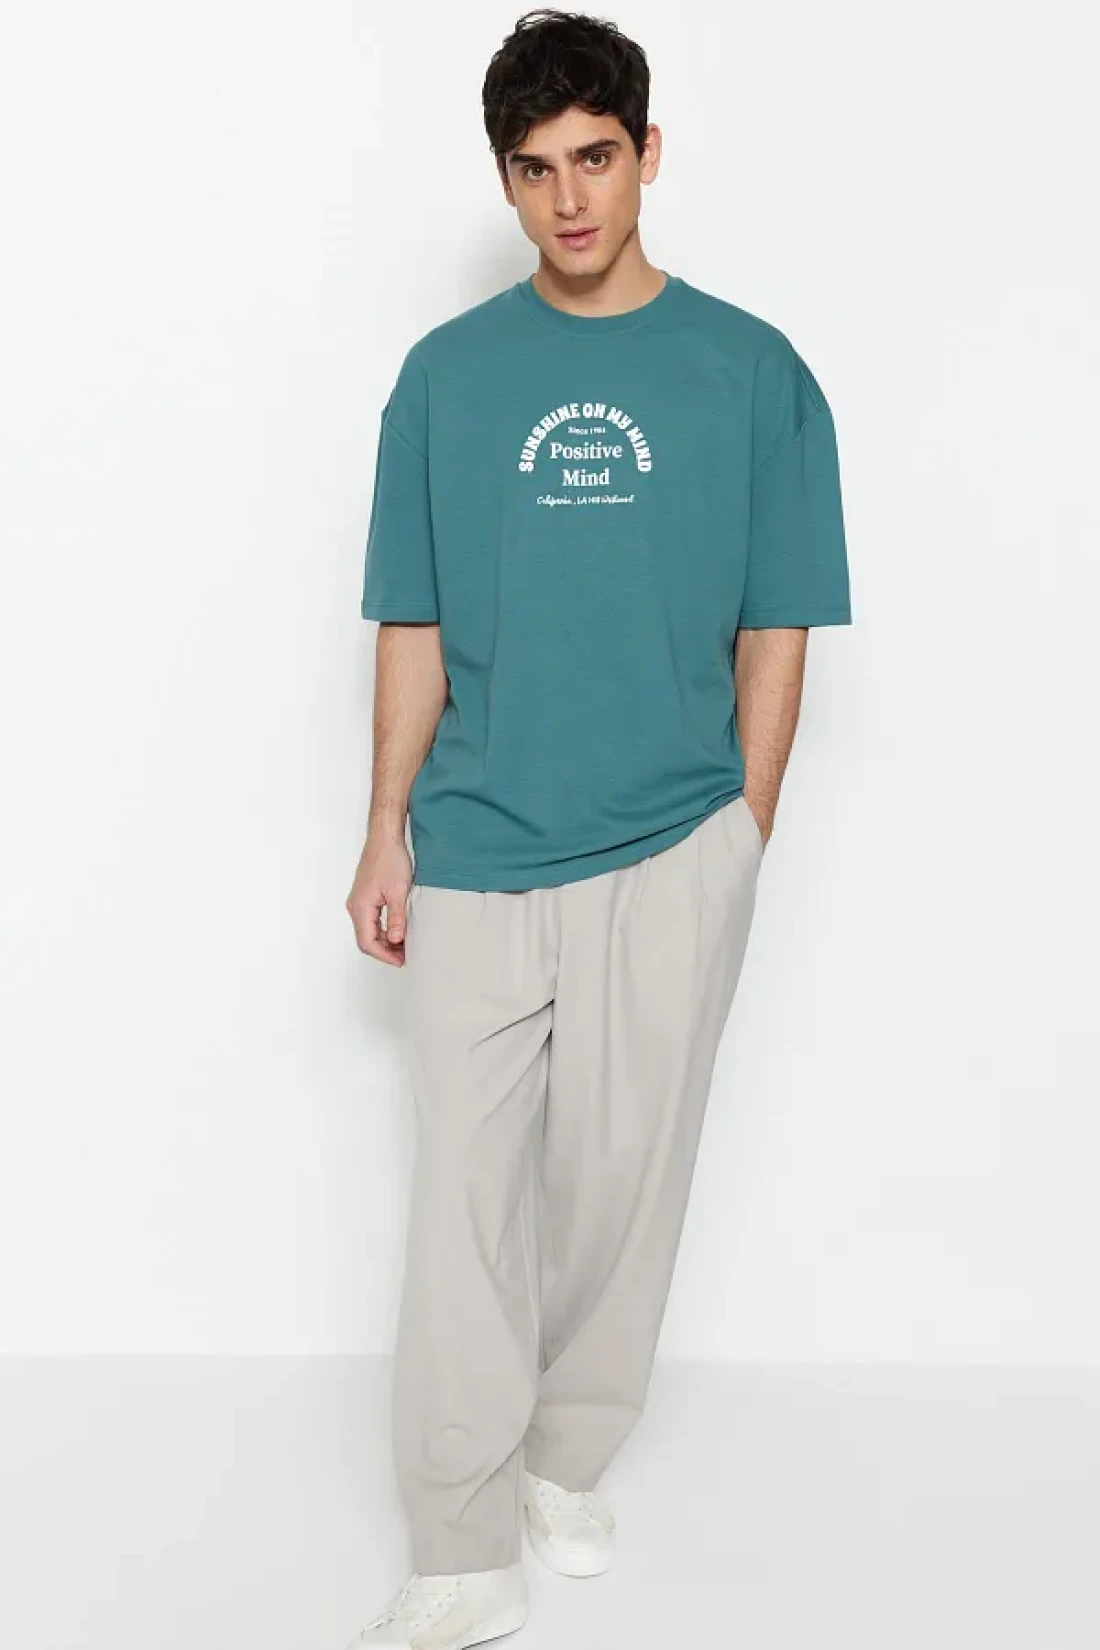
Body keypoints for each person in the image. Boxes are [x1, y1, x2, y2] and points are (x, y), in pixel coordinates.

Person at [344, 9, 852, 1646]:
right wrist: (384, 825)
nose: (569, 198)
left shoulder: (753, 374)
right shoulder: (445, 379)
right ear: (505, 181)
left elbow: (779, 622)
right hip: (480, 840)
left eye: (596, 157)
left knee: (628, 1187)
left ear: (648, 153)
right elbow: (412, 619)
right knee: (464, 1202)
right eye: (535, 169)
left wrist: (741, 831)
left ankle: (566, 1454)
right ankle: (458, 1542)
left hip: (671, 840)